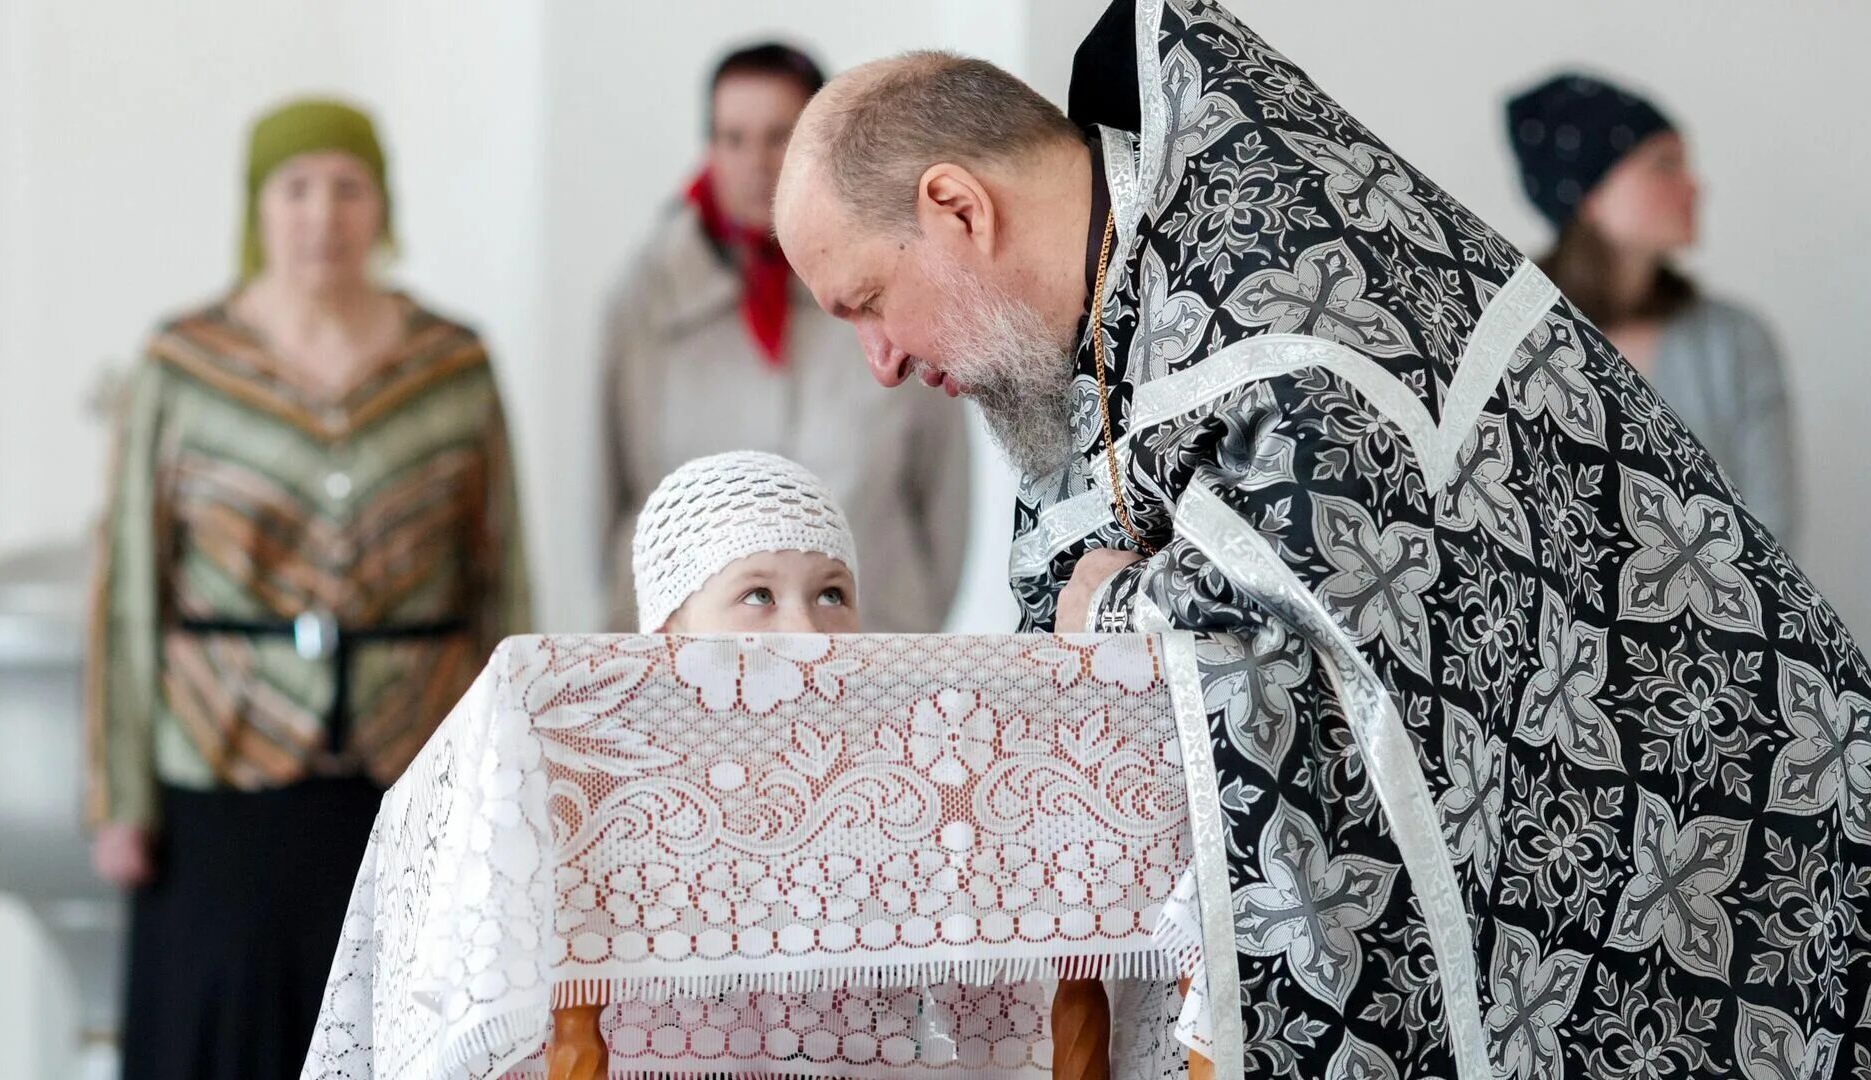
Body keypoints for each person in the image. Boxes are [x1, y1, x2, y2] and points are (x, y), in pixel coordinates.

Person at [773, 3, 1869, 1078]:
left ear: (958, 207)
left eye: (867, 301)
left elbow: (1302, 617)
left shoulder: (1278, 273)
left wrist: (1110, 610)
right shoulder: (1096, 332)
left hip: (1711, 808)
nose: (879, 361)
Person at [86, 98, 530, 1080]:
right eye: (296, 189)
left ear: (381, 205)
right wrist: (119, 795)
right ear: (258, 207)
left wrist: (518, 786)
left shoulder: (453, 365)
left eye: (347, 187)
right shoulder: (183, 364)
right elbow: (128, 589)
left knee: (398, 1034)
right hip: (220, 764)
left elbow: (504, 574)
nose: (321, 215)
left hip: (413, 765)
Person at [551, 450, 1061, 1080]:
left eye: (831, 595)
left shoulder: (905, 797)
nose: (808, 634)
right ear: (669, 632)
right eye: (758, 594)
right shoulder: (614, 814)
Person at [595, 42, 971, 634]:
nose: (756, 163)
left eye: (779, 137)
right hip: (699, 670)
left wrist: (911, 623)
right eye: (733, 138)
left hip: (868, 649)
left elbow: (940, 494)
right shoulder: (647, 300)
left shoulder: (891, 280)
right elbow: (612, 494)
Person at [1507, 72, 1801, 549]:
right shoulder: (1512, 343)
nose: (1694, 187)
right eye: (1665, 165)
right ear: (1590, 197)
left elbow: (1774, 541)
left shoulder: (1735, 341)